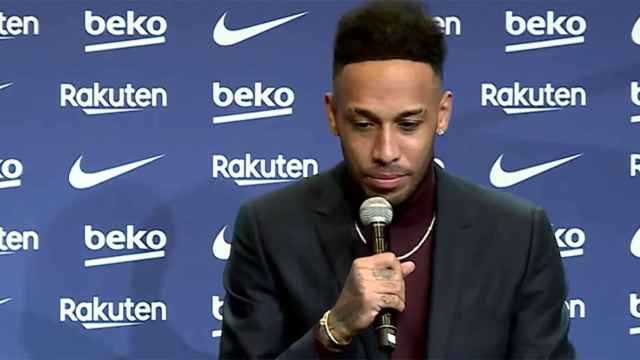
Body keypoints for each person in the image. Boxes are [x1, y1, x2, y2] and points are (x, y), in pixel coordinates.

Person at [220, 1, 576, 359]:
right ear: (332, 115)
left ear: (442, 114)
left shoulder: (517, 235)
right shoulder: (270, 229)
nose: (386, 151)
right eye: (363, 124)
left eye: (408, 124)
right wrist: (334, 330)